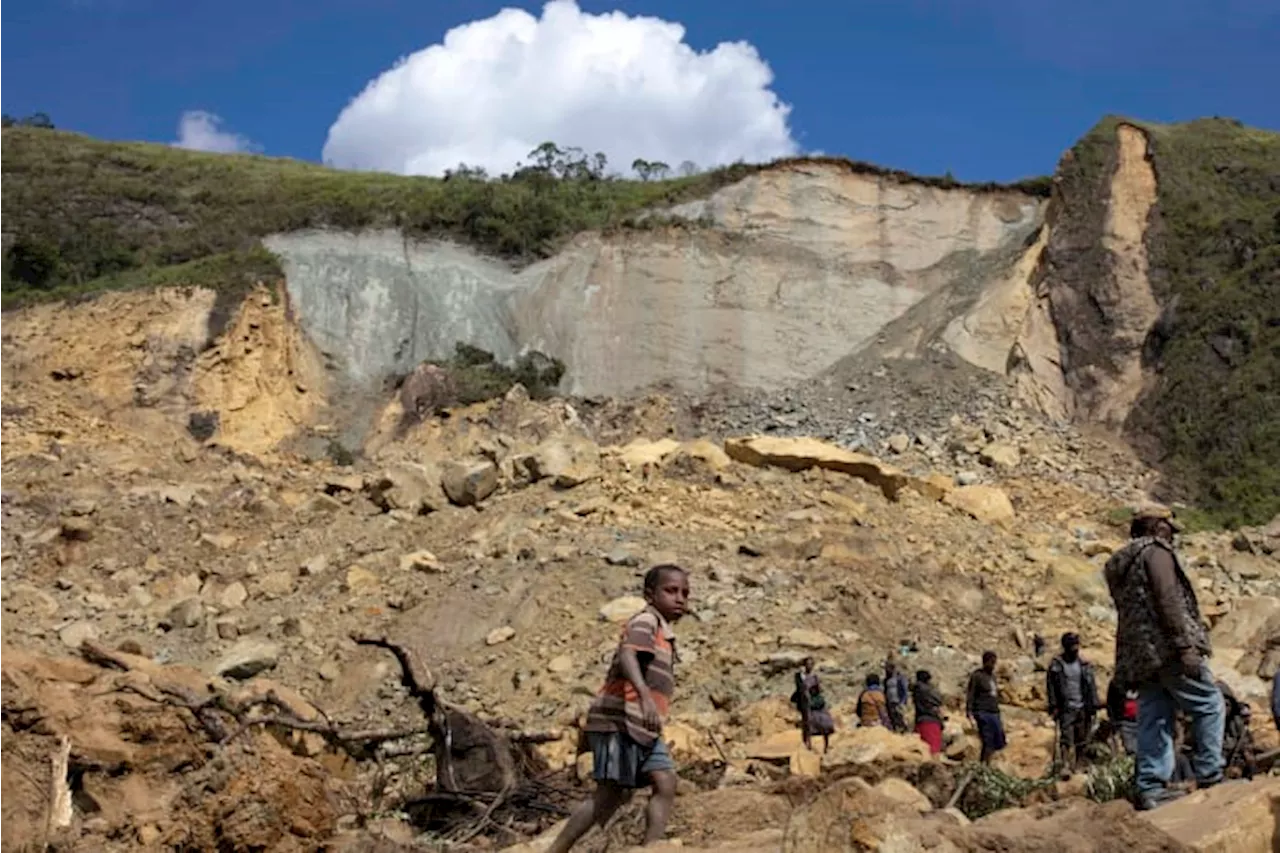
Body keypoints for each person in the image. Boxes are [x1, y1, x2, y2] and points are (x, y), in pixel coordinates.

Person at [548, 565, 690, 853]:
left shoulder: (663, 631)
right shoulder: (646, 621)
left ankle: (651, 847)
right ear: (650, 594)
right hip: (620, 721)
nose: (680, 599)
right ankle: (556, 850)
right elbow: (628, 654)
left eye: (685, 593)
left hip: (643, 726)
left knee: (665, 782)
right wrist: (645, 696)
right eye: (671, 591)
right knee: (611, 793)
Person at [1104, 505, 1224, 811]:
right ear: (1158, 527)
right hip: (1167, 649)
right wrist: (1185, 646)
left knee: (1154, 716)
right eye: (1170, 529)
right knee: (1210, 704)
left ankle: (1151, 788)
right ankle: (1211, 773)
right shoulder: (1156, 554)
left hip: (1139, 655)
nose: (1172, 536)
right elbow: (1167, 598)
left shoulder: (1122, 562)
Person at [1046, 632, 1100, 773]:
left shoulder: (1084, 665)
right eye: (1072, 646)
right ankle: (1064, 765)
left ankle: (1080, 764)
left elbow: (1091, 685)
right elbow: (1051, 687)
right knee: (1066, 737)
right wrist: (1053, 706)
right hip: (1066, 707)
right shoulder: (1056, 666)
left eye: (1077, 645)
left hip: (1083, 705)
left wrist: (1094, 703)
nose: (1075, 649)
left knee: (1082, 737)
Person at [966, 651, 1005, 764]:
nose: (993, 665)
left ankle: (990, 763)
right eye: (991, 662)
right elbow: (970, 694)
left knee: (998, 740)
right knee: (987, 740)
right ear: (985, 662)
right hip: (982, 712)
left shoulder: (992, 677)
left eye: (995, 663)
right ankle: (983, 765)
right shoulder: (977, 676)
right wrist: (969, 713)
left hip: (994, 712)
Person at [791, 657, 836, 753]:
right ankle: (808, 745)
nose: (809, 666)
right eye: (808, 664)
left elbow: (819, 688)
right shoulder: (800, 676)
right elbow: (800, 688)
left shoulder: (815, 676)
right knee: (808, 724)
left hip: (816, 702)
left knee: (825, 723)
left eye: (811, 664)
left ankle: (826, 746)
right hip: (807, 704)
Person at [912, 669, 945, 755]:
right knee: (934, 750)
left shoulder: (918, 689)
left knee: (924, 751)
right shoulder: (934, 691)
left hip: (923, 722)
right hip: (934, 722)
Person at [1105, 677, 1139, 756]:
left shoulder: (1146, 683)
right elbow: (1110, 703)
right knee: (1130, 749)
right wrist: (1113, 720)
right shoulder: (1116, 683)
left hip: (1141, 721)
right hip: (1124, 722)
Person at [884, 658, 910, 733]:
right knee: (892, 717)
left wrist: (903, 701)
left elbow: (904, 689)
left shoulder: (899, 678)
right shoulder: (886, 679)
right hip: (890, 701)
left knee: (900, 716)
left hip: (898, 700)